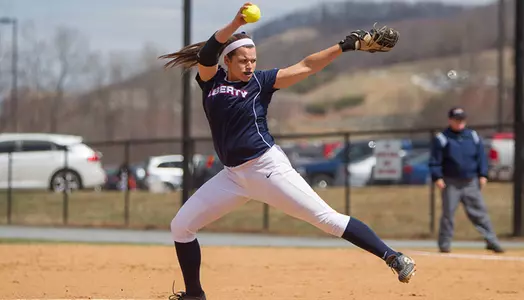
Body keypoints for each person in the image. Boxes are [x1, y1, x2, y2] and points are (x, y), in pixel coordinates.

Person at [159, 3, 414, 299]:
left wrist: (347, 46)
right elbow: (207, 53)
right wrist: (234, 23)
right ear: (227, 61)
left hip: (267, 168)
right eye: (242, 60)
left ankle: (394, 257)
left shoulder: (261, 83)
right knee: (181, 227)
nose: (249, 65)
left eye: (253, 59)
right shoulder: (210, 81)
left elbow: (307, 65)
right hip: (232, 177)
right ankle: (194, 294)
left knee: (327, 220)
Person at [429, 107, 504, 254]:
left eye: (462, 119)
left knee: (480, 213)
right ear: (450, 120)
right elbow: (435, 160)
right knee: (448, 214)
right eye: (456, 119)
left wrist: (483, 174)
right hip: (451, 182)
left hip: (471, 182)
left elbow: (481, 156)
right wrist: (437, 177)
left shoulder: (473, 136)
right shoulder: (442, 138)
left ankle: (492, 241)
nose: (459, 122)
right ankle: (444, 245)